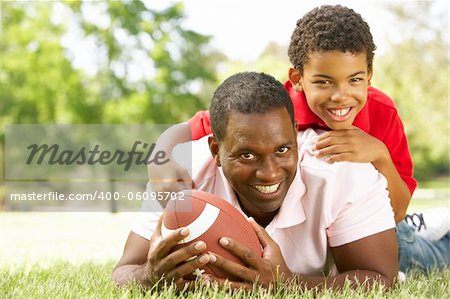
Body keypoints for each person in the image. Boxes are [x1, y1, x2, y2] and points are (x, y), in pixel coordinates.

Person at [146, 5, 449, 274]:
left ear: (369, 75)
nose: (340, 95)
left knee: (423, 255)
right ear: (297, 79)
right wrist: (159, 160)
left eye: (354, 79)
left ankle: (434, 234)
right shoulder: (274, 111)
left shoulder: (381, 112)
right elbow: (193, 128)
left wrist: (379, 154)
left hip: (383, 227)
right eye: (323, 82)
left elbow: (397, 210)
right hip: (331, 231)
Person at [113, 72, 398, 291]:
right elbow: (124, 271)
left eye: (283, 150)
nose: (270, 173)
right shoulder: (178, 174)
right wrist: (149, 277)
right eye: (247, 155)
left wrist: (287, 284)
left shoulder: (341, 173)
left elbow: (383, 279)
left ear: (296, 133)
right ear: (216, 151)